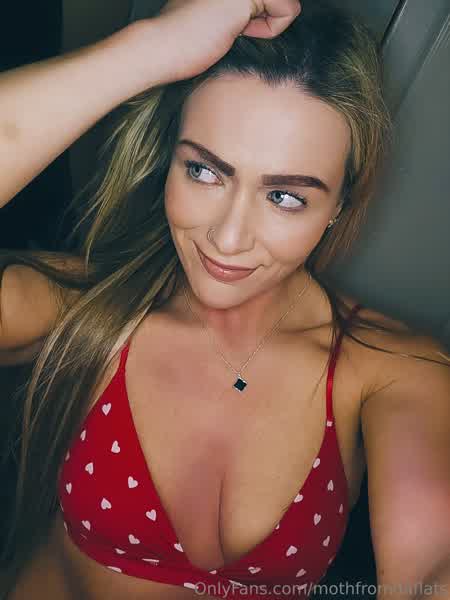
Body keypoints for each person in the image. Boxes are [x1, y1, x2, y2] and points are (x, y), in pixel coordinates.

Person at [1, 0, 449, 599]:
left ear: (338, 205)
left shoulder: (392, 367)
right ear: (169, 160)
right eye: (205, 172)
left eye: (285, 197)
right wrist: (148, 49)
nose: (229, 239)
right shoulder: (81, 305)